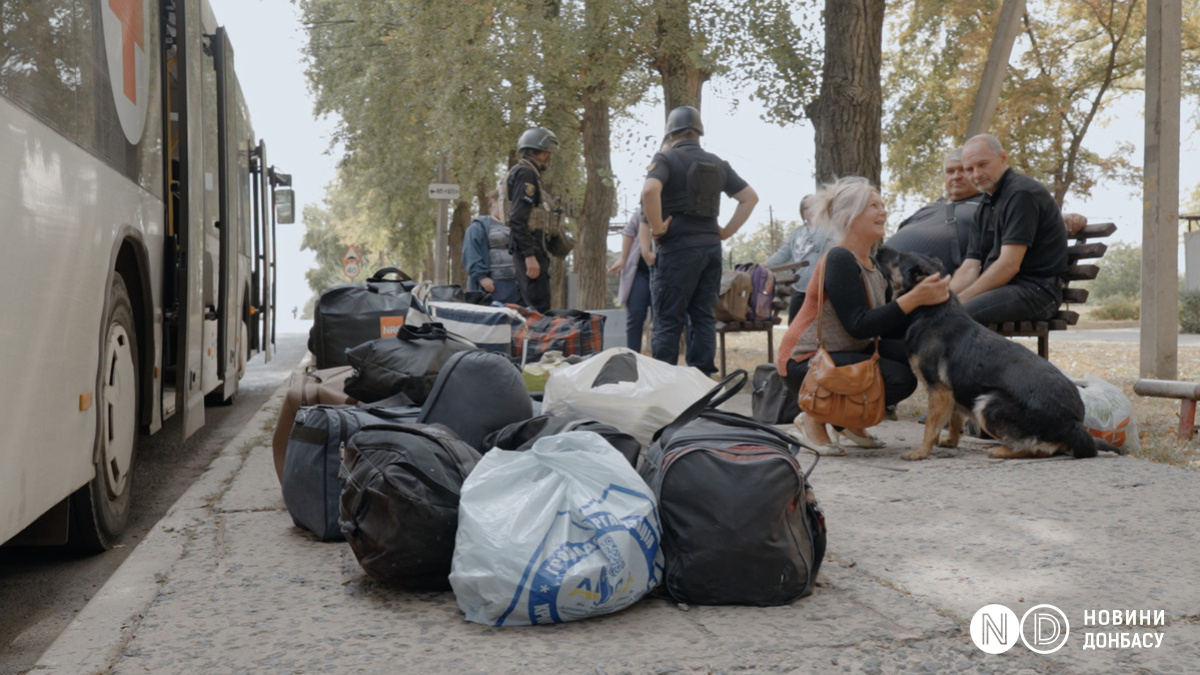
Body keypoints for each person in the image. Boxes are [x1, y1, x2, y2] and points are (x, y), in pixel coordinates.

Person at [776, 177, 950, 455]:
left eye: (883, 205)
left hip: (842, 354)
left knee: (912, 354)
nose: (883, 211)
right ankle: (812, 417)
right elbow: (858, 325)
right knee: (897, 379)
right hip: (805, 362)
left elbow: (885, 325)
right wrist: (913, 299)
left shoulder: (871, 262)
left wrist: (930, 303)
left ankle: (846, 420)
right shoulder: (839, 259)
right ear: (848, 216)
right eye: (873, 206)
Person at [641, 105, 758, 374]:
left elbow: (650, 191)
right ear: (698, 133)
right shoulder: (718, 163)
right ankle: (702, 380)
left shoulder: (666, 159)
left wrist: (657, 229)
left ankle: (664, 380)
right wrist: (726, 231)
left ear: (671, 134)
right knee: (703, 316)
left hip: (677, 250)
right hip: (710, 250)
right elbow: (750, 198)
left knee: (669, 319)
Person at [887, 146, 1087, 275]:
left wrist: (1064, 216)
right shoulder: (931, 207)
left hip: (925, 281)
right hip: (884, 275)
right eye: (950, 171)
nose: (956, 177)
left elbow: (1031, 212)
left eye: (963, 170)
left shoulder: (990, 203)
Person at [950, 134, 1069, 325]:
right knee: (934, 314)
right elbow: (970, 267)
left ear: (1003, 158)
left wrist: (957, 302)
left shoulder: (1021, 193)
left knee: (950, 318)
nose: (976, 175)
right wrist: (942, 298)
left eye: (983, 165)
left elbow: (1009, 265)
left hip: (1037, 292)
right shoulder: (986, 204)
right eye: (969, 169)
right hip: (1007, 289)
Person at [505, 127, 560, 312]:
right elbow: (518, 219)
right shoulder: (526, 174)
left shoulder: (522, 172)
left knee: (526, 310)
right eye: (547, 154)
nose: (548, 158)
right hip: (530, 249)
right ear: (542, 153)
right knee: (538, 310)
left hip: (528, 248)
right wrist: (530, 256)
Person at [765, 194, 832, 323]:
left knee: (818, 325)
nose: (810, 210)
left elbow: (832, 254)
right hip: (800, 286)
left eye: (814, 206)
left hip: (821, 287)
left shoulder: (829, 230)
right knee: (794, 323)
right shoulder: (797, 233)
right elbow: (784, 252)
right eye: (806, 208)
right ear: (802, 212)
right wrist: (767, 264)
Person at [462, 188, 521, 304]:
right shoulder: (478, 226)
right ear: (494, 202)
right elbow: (470, 252)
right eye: (504, 202)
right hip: (493, 285)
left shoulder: (518, 226)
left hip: (517, 285)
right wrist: (482, 277)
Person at [607, 206, 653, 352]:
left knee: (662, 320)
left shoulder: (674, 205)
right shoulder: (642, 211)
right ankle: (632, 357)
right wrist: (622, 259)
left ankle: (661, 363)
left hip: (664, 271)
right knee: (635, 315)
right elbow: (629, 232)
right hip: (640, 271)